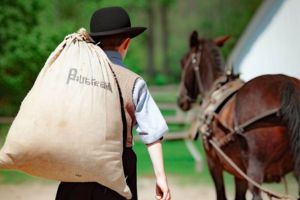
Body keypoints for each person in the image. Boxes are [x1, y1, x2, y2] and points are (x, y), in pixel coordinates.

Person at [55, 6, 171, 200]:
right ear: (126, 43)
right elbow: (153, 134)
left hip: (77, 165)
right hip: (118, 167)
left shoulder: (74, 76)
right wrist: (161, 177)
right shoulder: (134, 82)